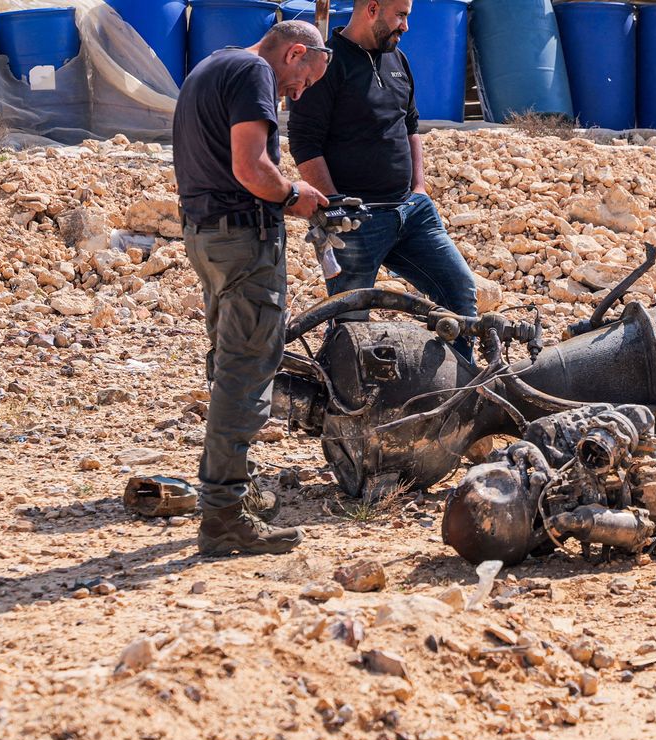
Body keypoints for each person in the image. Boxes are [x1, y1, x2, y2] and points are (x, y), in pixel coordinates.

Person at [173, 21, 331, 556]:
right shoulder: (254, 72)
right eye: (303, 79)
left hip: (206, 237)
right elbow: (251, 166)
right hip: (243, 241)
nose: (298, 92)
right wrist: (294, 194)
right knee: (246, 369)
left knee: (228, 362)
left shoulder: (212, 65)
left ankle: (229, 489)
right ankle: (223, 514)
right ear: (294, 53)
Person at [288, 0, 479, 359]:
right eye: (401, 15)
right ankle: (348, 407)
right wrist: (334, 205)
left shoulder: (397, 60)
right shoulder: (326, 65)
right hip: (356, 222)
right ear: (372, 9)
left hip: (411, 213)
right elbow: (304, 142)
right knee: (351, 322)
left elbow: (410, 126)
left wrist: (419, 189)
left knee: (459, 292)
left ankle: (459, 388)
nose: (406, 26)